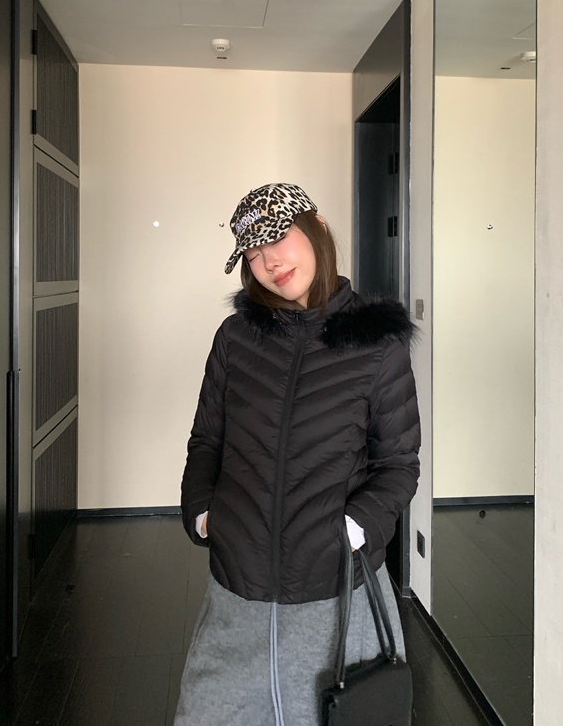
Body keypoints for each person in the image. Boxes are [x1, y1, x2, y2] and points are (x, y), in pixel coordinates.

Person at [174, 182, 420, 726]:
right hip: (238, 587)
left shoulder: (378, 344)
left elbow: (398, 464)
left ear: (318, 228)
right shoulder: (236, 338)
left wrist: (350, 530)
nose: (269, 262)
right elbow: (207, 441)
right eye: (253, 252)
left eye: (278, 238)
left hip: (334, 590)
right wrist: (204, 514)